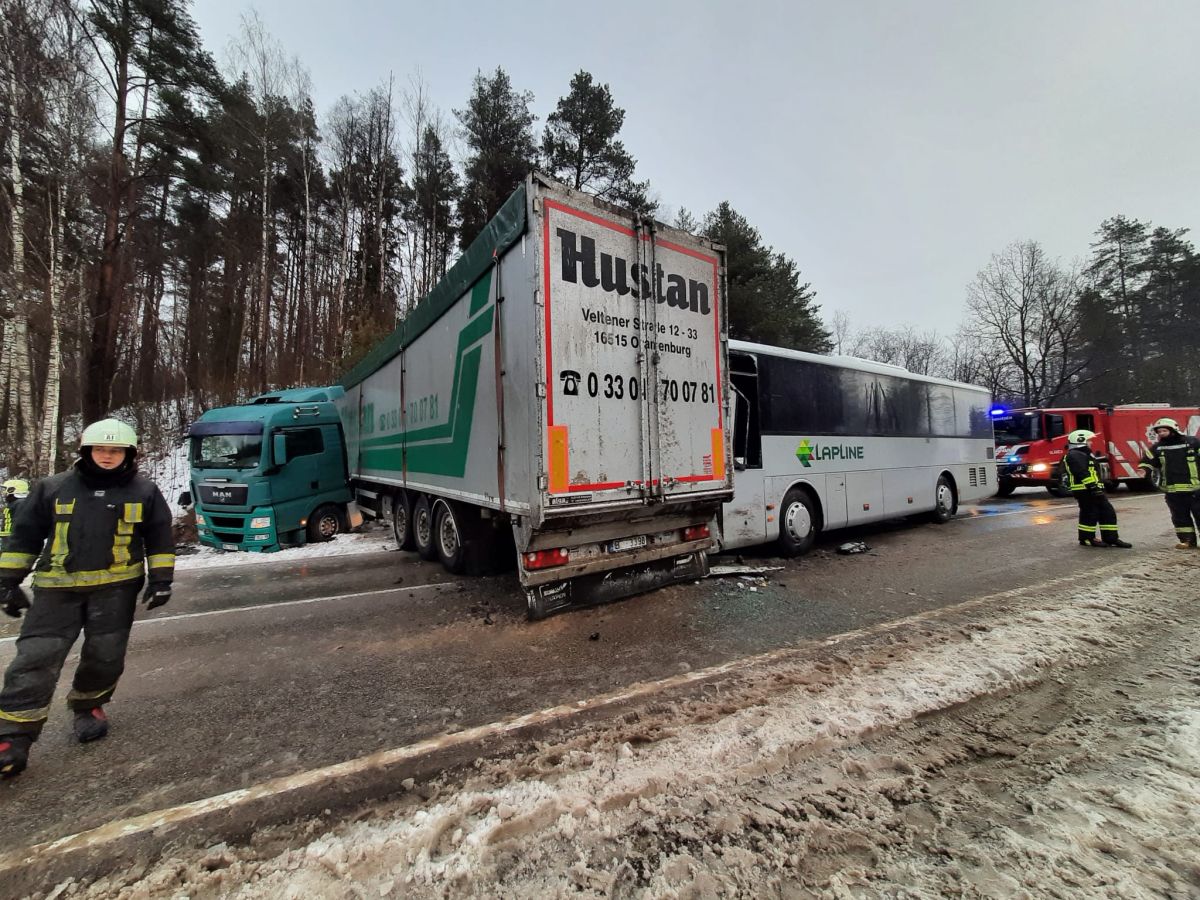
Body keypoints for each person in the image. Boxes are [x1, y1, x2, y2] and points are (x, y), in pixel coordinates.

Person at [0, 419, 175, 778]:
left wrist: (161, 581)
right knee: (34, 659)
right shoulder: (53, 487)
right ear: (85, 451)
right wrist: (7, 581)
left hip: (117, 590)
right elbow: (25, 536)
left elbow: (159, 537)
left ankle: (89, 706)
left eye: (116, 451)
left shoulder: (144, 491)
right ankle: (13, 737)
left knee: (105, 656)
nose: (107, 456)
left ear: (129, 454)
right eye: (100, 449)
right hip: (56, 590)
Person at [1137, 417, 1200, 549]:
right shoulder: (1157, 448)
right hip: (1173, 491)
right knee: (1180, 518)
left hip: (1195, 489)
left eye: (1164, 430)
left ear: (1173, 430)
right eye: (1159, 431)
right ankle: (1187, 541)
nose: (1161, 433)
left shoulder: (1192, 442)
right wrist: (1143, 469)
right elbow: (1147, 460)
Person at [1063, 429, 1132, 549]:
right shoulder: (1075, 455)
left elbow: (1091, 472)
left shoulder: (1083, 454)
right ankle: (1087, 539)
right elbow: (1082, 473)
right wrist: (1093, 487)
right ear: (1081, 441)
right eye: (1089, 440)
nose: (1091, 443)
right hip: (1085, 490)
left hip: (1091, 489)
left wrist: (1103, 482)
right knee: (1090, 514)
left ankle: (1111, 538)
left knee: (1107, 512)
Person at [1, 479, 30, 547]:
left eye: (6, 489)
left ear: (12, 490)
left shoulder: (20, 504)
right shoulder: (14, 503)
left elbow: (19, 523)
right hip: (9, 540)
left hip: (14, 543)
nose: (4, 492)